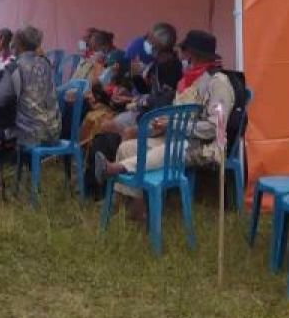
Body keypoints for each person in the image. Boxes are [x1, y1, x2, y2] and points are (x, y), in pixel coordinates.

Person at [95, 30, 235, 220]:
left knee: (165, 150)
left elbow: (214, 128)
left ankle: (116, 169)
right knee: (128, 147)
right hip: (176, 137)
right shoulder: (190, 79)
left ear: (193, 54)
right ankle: (127, 203)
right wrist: (165, 124)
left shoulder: (218, 83)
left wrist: (174, 125)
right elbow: (179, 112)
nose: (182, 55)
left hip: (202, 145)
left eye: (184, 50)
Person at [0, 26, 61, 198]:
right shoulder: (46, 64)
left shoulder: (15, 68)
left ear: (18, 44)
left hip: (29, 134)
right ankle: (25, 179)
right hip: (54, 130)